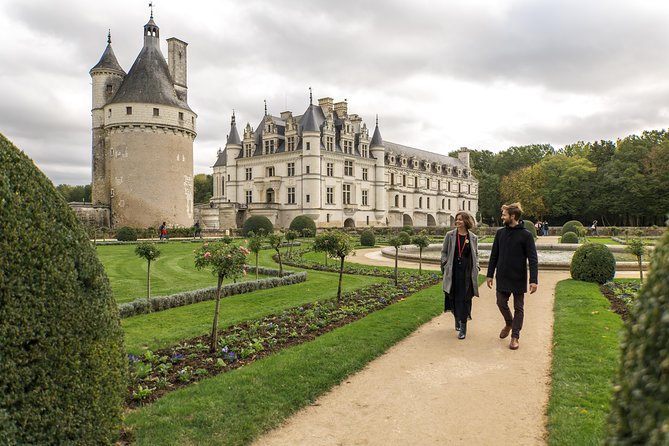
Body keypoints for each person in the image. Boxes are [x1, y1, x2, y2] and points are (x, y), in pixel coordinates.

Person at [486, 202, 538, 350]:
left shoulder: (526, 235)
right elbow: (494, 255)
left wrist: (533, 280)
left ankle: (515, 336)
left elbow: (533, 259)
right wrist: (490, 274)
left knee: (518, 307)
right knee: (500, 302)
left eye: (504, 214)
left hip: (518, 276)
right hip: (502, 275)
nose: (502, 217)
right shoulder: (500, 233)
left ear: (512, 216)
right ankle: (509, 323)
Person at [441, 211, 480, 340]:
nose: (457, 221)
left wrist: (477, 266)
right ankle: (456, 317)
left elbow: (476, 254)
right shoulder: (450, 235)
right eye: (457, 219)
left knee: (465, 299)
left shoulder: (473, 237)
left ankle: (463, 326)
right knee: (453, 297)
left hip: (467, 273)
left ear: (466, 221)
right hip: (454, 272)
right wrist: (445, 263)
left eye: (460, 219)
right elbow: (444, 252)